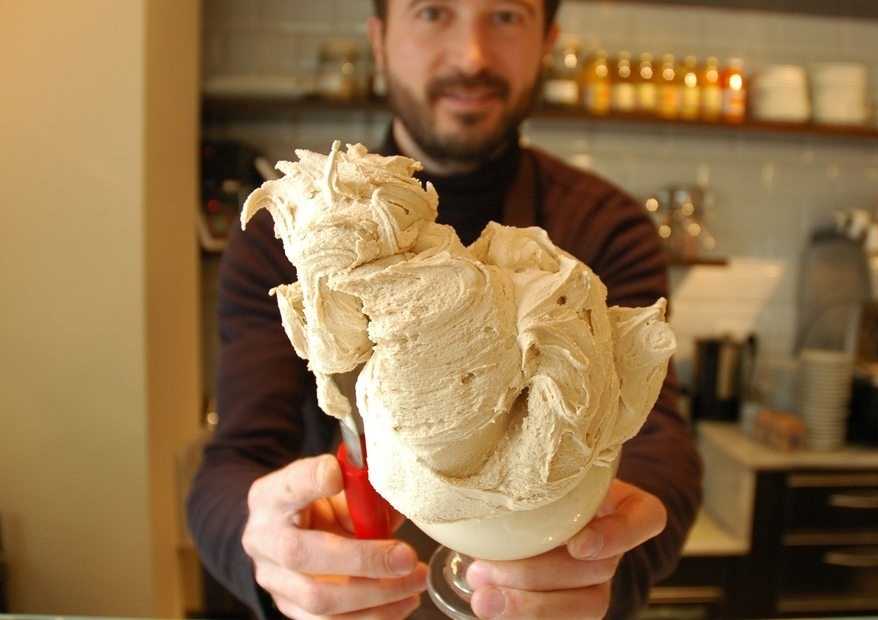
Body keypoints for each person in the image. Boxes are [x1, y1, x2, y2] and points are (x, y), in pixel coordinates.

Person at [187, 0, 703, 618]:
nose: (471, 56)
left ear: (548, 41)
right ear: (378, 40)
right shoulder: (302, 237)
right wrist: (267, 554)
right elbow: (234, 460)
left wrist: (609, 564)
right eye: (433, 11)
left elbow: (658, 441)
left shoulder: (605, 227)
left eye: (506, 16)